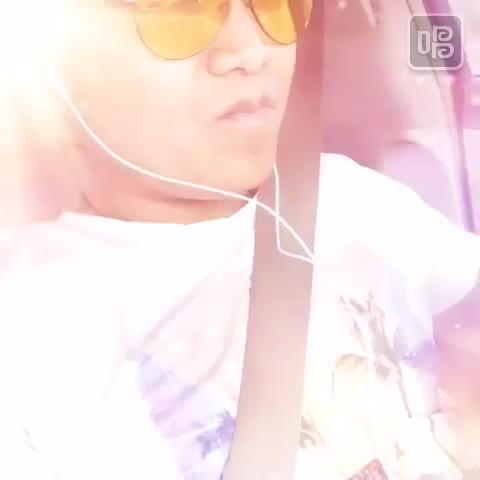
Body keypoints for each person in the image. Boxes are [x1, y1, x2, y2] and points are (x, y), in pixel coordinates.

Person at [0, 0, 479, 479]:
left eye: (273, 5)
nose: (252, 52)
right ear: (61, 64)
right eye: (177, 12)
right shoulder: (28, 326)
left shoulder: (355, 199)